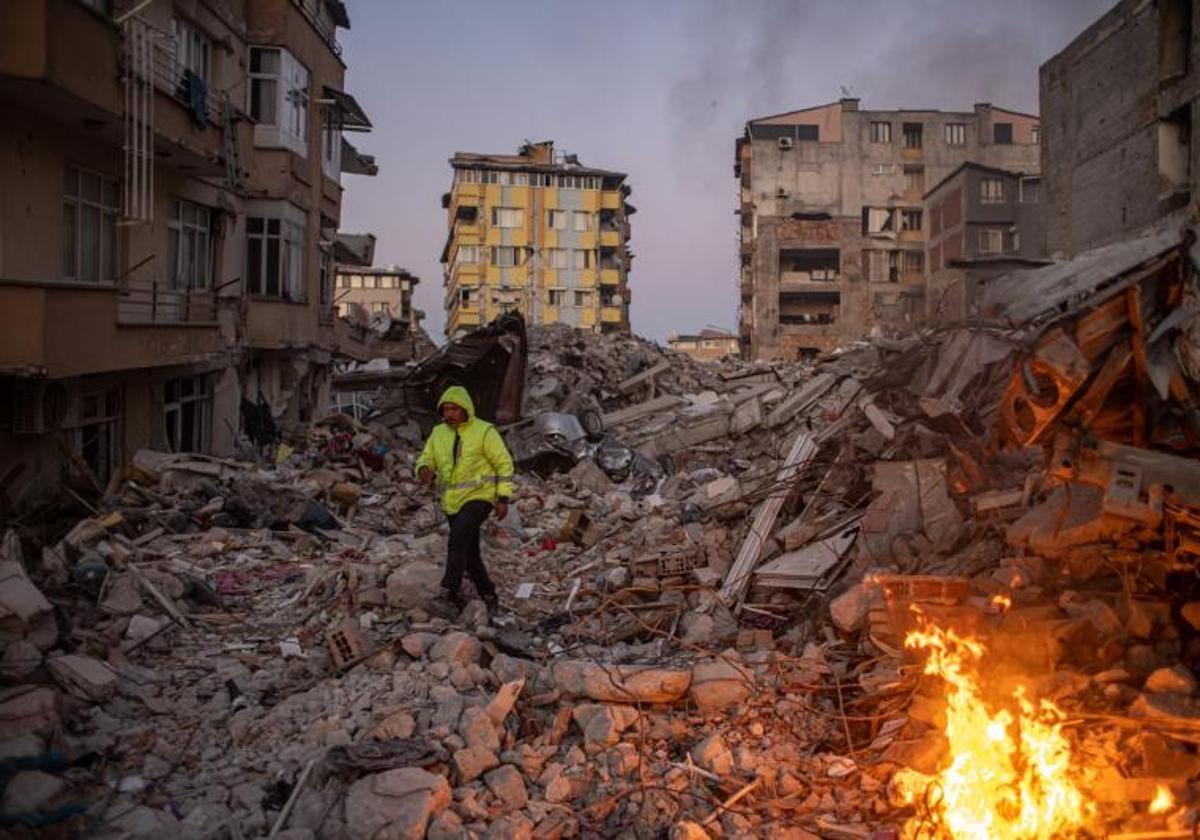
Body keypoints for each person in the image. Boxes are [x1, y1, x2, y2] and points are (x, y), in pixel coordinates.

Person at [416, 385, 514, 610]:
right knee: (469, 552)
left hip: (481, 496)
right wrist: (423, 470)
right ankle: (488, 594)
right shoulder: (438, 433)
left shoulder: (484, 431)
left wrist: (503, 498)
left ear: (465, 409)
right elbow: (426, 458)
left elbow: (504, 463)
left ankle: (449, 591)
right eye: (446, 409)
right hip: (452, 500)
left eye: (454, 409)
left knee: (457, 538)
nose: (449, 414)